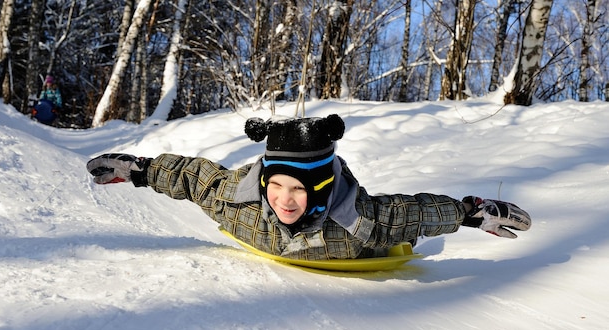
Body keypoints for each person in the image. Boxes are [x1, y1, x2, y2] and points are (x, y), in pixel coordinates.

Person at [86, 114, 531, 260]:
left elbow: (411, 211)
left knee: (400, 233)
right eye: (275, 185)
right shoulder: (236, 205)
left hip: (358, 250)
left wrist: (470, 211)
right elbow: (191, 176)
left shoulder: (359, 224)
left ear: (318, 190)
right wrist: (140, 170)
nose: (283, 199)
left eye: (298, 190)